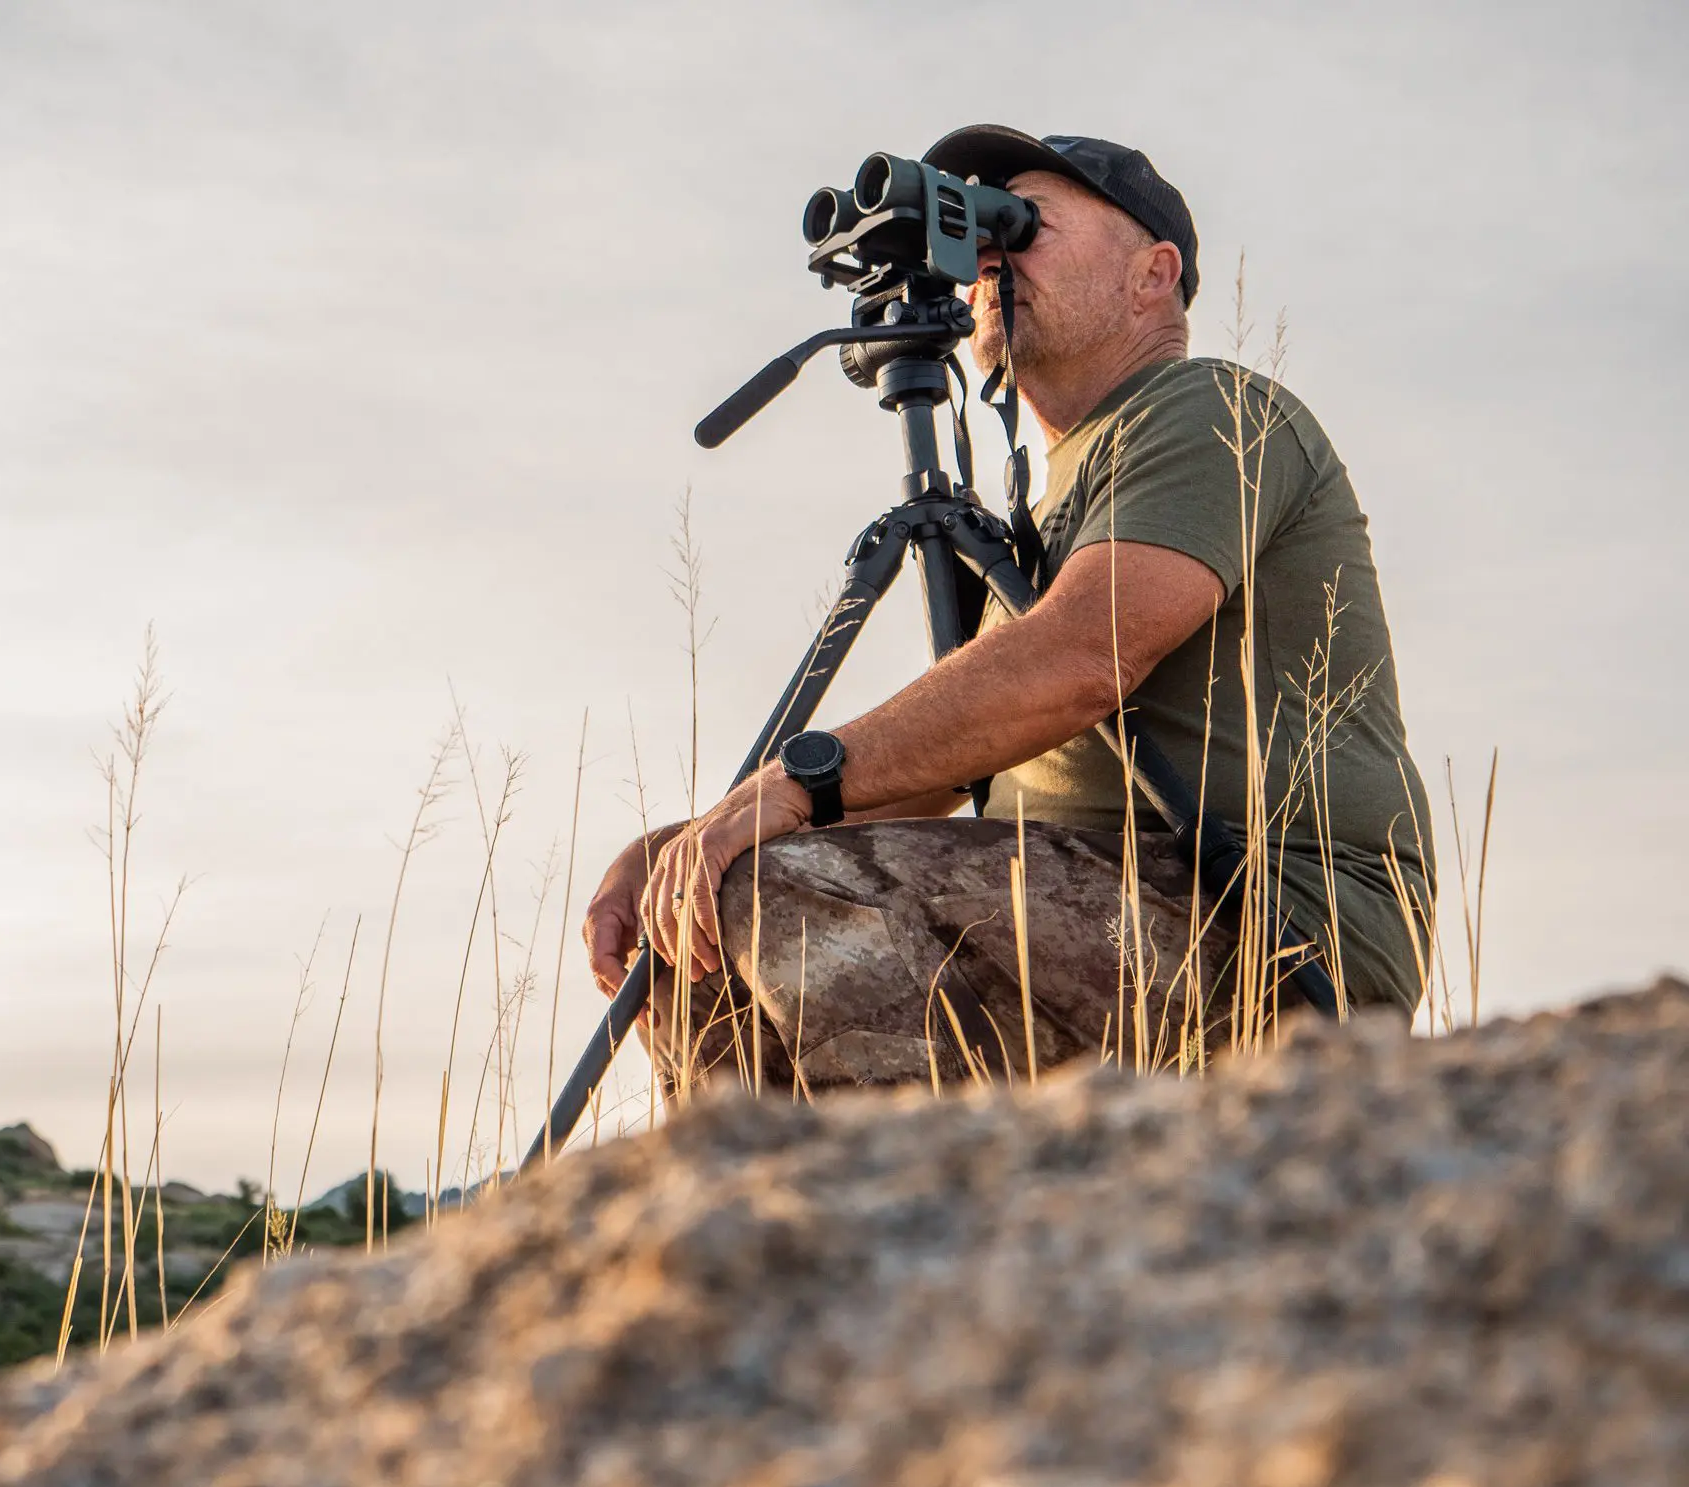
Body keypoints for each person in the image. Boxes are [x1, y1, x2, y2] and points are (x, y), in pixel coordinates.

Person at [583, 126, 1434, 1098]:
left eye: (1023, 225)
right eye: (984, 236)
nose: (992, 259)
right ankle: (780, 1235)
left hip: (1269, 920)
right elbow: (946, 770)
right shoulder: (1043, 503)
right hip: (1103, 889)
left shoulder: (1210, 411)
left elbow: (1081, 657)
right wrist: (697, 838)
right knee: (693, 924)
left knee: (778, 901)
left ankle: (915, 1217)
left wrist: (793, 787)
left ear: (1151, 274)